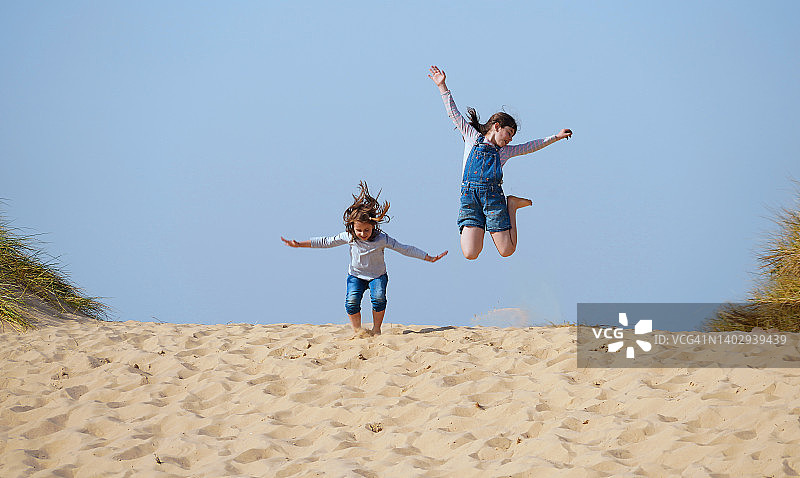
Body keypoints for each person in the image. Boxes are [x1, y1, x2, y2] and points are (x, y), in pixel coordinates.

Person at [428, 65, 572, 260]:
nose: (510, 139)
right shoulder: (472, 137)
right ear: (497, 126)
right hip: (470, 200)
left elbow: (530, 146)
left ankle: (511, 204)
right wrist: (442, 86)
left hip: (494, 200)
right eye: (509, 133)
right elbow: (453, 113)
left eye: (512, 136)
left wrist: (555, 137)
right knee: (470, 253)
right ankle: (498, 213)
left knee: (507, 250)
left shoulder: (504, 152)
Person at [282, 181, 447, 336]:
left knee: (379, 299)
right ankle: (358, 332)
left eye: (366, 230)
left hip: (377, 276)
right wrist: (300, 244)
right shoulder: (349, 236)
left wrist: (427, 257)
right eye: (359, 230)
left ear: (373, 226)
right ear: (352, 227)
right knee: (351, 302)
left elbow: (404, 248)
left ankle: (376, 329)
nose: (362, 233)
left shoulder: (381, 239)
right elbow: (326, 241)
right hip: (356, 275)